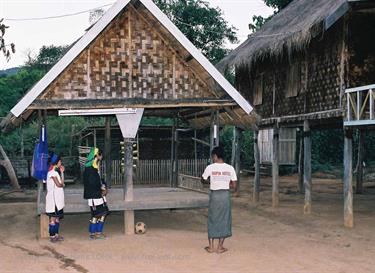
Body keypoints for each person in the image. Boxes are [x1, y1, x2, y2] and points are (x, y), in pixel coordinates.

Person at [201, 146, 237, 254]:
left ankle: (211, 247)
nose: (212, 159)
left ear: (215, 156)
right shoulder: (230, 168)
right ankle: (220, 247)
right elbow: (234, 185)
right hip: (225, 196)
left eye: (213, 157)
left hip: (215, 196)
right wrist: (225, 183)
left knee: (212, 218)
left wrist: (212, 181)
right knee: (225, 219)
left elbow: (203, 180)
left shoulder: (210, 167)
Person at [83, 148, 109, 240]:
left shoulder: (93, 168)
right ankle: (93, 233)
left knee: (103, 213)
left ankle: (98, 232)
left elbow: (98, 181)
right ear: (96, 156)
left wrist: (104, 186)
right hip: (94, 196)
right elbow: (92, 183)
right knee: (96, 215)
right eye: (100, 156)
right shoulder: (89, 170)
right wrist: (101, 189)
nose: (101, 158)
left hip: (98, 195)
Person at [45, 153, 65, 243]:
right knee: (53, 219)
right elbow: (59, 184)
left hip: (58, 200)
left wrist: (62, 173)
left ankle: (56, 235)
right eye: (60, 161)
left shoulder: (56, 172)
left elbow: (62, 184)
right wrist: (61, 184)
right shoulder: (51, 173)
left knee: (57, 218)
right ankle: (52, 236)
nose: (61, 162)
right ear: (56, 162)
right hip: (53, 201)